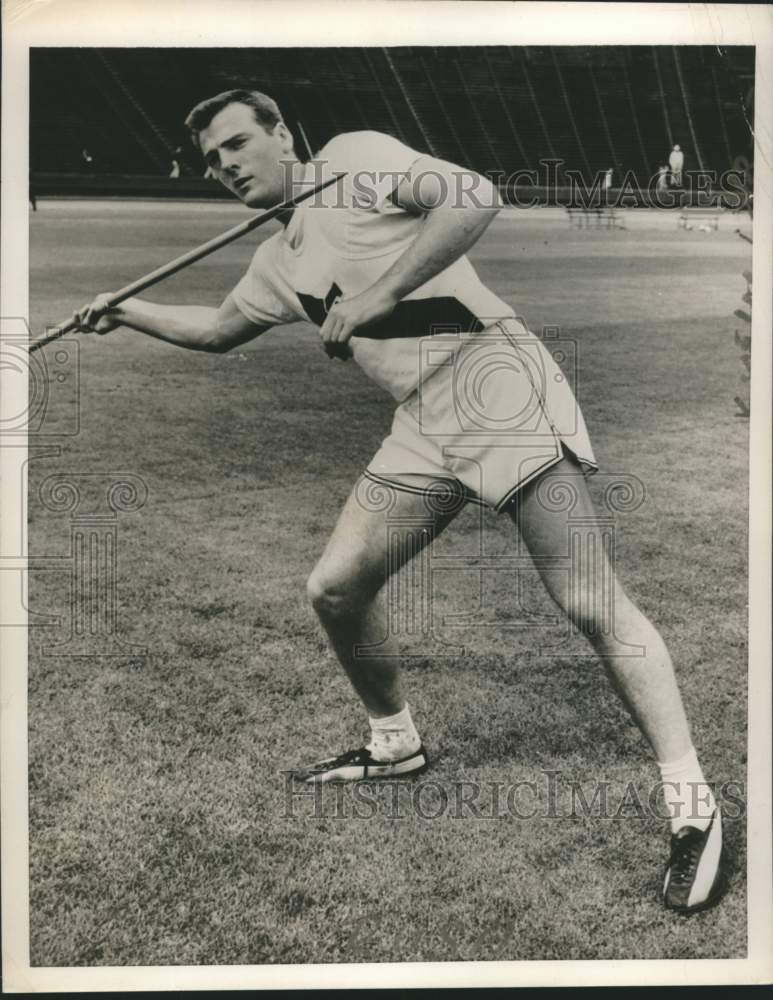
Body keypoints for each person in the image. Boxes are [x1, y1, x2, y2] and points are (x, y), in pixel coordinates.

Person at [72, 89, 728, 914]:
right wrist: (124, 312)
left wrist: (378, 296)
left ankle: (692, 804)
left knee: (589, 601)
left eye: (239, 143)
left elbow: (473, 198)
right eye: (211, 159)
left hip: (495, 386)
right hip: (424, 423)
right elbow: (219, 330)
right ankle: (395, 743)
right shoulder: (277, 259)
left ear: (282, 134)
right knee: (336, 588)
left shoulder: (351, 160)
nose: (227, 166)